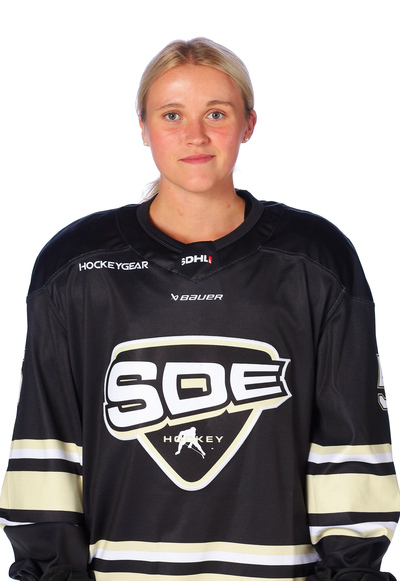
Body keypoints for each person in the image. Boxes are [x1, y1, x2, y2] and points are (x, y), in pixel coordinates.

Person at [0, 37, 399, 581]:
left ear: (249, 123)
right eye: (172, 115)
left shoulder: (316, 258)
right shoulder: (74, 265)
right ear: (143, 127)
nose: (195, 135)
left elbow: (350, 442)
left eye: (216, 113)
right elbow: (48, 442)